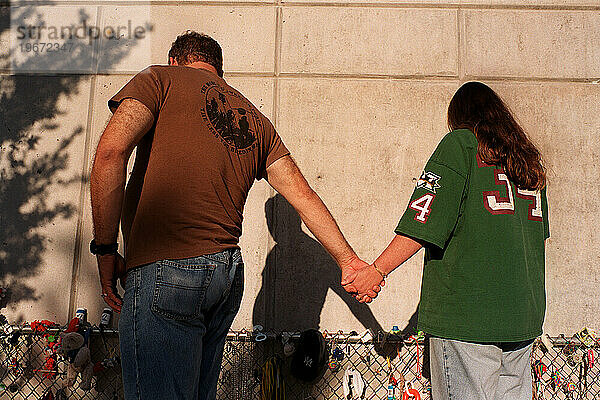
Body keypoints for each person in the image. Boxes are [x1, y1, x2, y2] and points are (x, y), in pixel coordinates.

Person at [90, 31, 374, 400]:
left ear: (176, 60)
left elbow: (111, 154)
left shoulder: (160, 79)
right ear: (218, 71)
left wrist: (105, 251)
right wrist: (349, 262)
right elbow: (303, 196)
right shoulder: (255, 120)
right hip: (224, 277)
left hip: (166, 271)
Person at [343, 81, 549, 400]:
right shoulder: (526, 163)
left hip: (467, 317)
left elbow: (422, 222)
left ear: (460, 117)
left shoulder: (461, 144)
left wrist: (376, 271)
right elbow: (537, 242)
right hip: (522, 319)